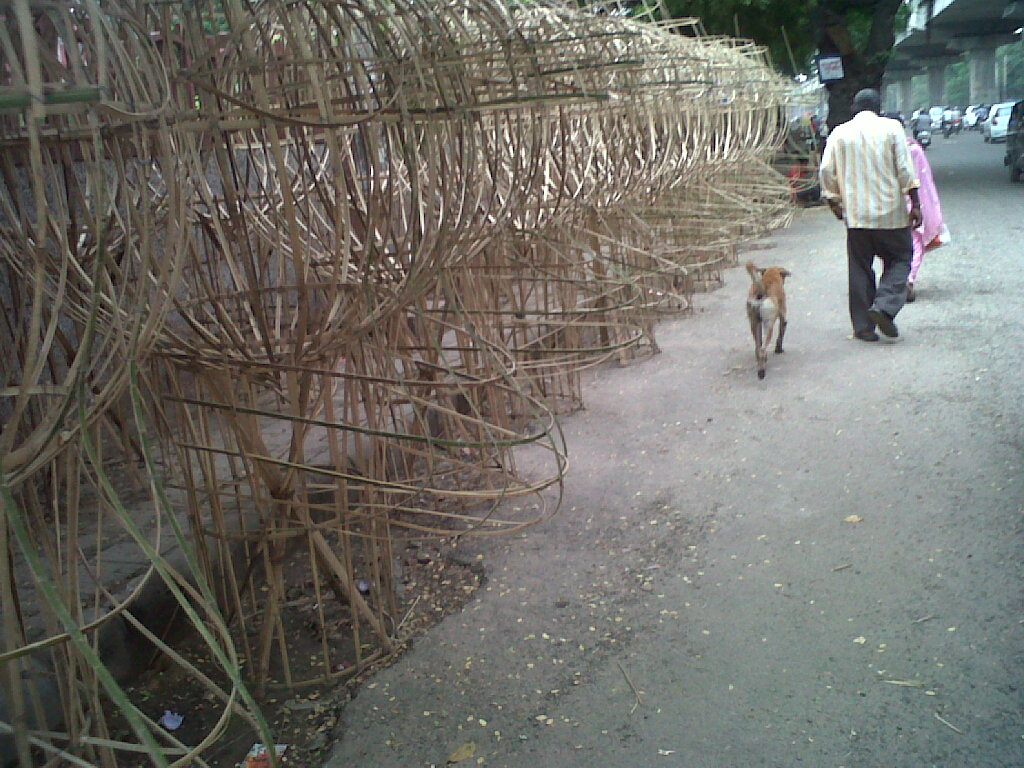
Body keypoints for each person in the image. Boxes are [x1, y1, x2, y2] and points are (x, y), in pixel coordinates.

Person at [819, 88, 922, 341]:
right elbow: (905, 169)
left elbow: (826, 170)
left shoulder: (839, 133)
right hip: (891, 214)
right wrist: (915, 203)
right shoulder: (892, 128)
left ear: (854, 108)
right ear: (879, 108)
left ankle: (864, 327)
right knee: (901, 258)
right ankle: (884, 307)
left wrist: (834, 201)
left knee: (860, 268)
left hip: (857, 216)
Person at [904, 135, 950, 302]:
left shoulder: (886, 149)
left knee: (901, 245)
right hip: (915, 202)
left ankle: (899, 281)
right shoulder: (914, 150)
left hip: (893, 203)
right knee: (916, 244)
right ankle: (908, 280)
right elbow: (924, 181)